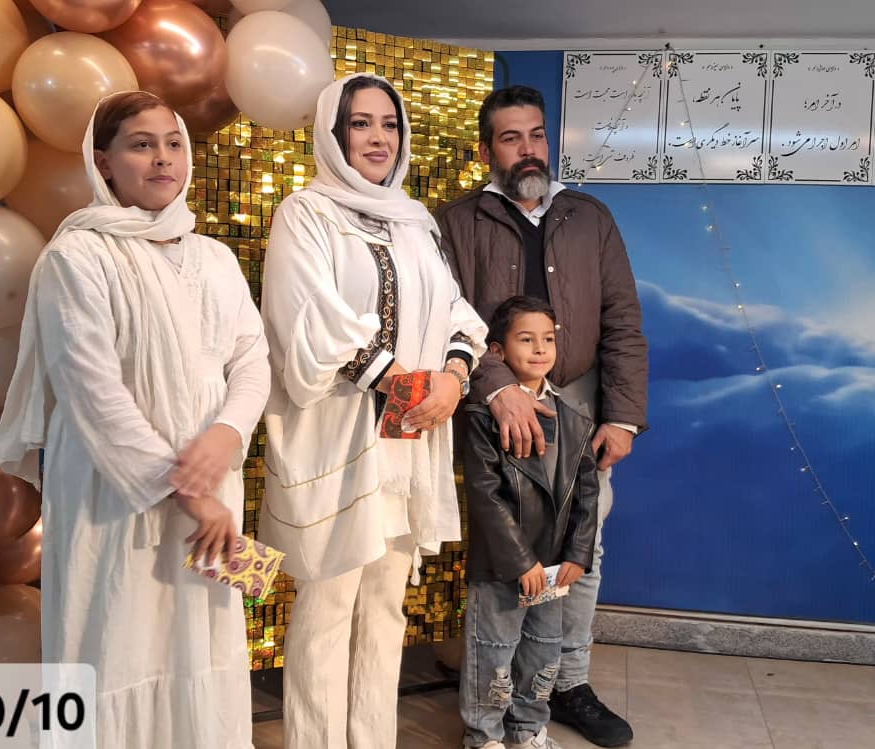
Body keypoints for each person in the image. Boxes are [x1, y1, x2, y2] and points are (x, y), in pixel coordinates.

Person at [0, 90, 270, 748]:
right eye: (142, 145)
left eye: (173, 143)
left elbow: (251, 357)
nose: (163, 158)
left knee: (204, 645)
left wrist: (228, 432)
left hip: (213, 479)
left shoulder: (215, 258)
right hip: (115, 493)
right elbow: (91, 391)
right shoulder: (76, 257)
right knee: (114, 644)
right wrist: (188, 492)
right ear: (104, 162)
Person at [259, 72, 488, 749]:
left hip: (409, 440)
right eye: (361, 123)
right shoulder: (307, 213)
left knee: (386, 604)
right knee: (327, 606)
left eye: (389, 124)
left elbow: (456, 312)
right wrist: (410, 386)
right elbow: (307, 321)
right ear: (334, 134)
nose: (378, 138)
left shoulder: (416, 221)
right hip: (339, 437)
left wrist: (453, 377)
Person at [438, 84, 648, 748]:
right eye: (510, 138)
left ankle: (567, 683)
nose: (528, 149)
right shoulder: (456, 222)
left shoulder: (590, 216)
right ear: (486, 151)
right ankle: (494, 699)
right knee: (504, 544)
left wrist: (621, 417)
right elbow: (446, 318)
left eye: (536, 135)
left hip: (578, 403)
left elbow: (622, 320)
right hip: (490, 404)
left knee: (583, 543)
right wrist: (499, 387)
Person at [460, 295, 598, 749]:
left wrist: (577, 554)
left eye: (548, 339)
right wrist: (520, 560)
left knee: (542, 649)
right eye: (526, 339)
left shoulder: (574, 419)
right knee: (493, 652)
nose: (540, 349)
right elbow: (485, 494)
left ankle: (527, 729)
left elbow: (586, 494)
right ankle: (483, 736)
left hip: (554, 566)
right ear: (497, 351)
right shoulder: (482, 415)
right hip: (503, 564)